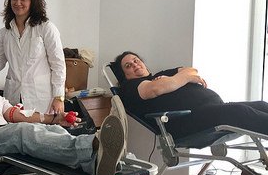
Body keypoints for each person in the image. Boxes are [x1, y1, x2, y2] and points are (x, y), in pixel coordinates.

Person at [0, 53, 127, 175]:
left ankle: (100, 162)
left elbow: (20, 116)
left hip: (4, 133)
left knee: (51, 130)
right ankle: (94, 144)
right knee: (22, 133)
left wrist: (54, 119)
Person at [114, 51, 268, 139]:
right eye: (128, 65)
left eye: (136, 60)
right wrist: (182, 79)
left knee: (261, 105)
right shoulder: (130, 87)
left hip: (213, 108)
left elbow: (192, 71)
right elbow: (156, 89)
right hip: (186, 120)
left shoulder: (162, 74)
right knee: (239, 112)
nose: (135, 64)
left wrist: (174, 80)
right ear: (124, 75)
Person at [0, 0, 66, 116]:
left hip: (41, 98)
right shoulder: (4, 33)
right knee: (15, 129)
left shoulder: (46, 28)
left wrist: (59, 97)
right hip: (13, 97)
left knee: (40, 128)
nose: (18, 3)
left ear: (33, 2)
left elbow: (58, 65)